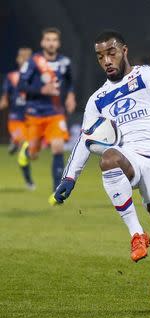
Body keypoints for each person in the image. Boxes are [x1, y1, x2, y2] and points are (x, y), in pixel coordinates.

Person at [53, 30, 150, 318]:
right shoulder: (97, 99)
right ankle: (137, 234)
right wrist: (69, 177)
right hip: (129, 156)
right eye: (100, 56)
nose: (106, 60)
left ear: (124, 50)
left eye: (111, 53)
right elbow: (86, 140)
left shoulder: (145, 74)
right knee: (109, 158)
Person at [17, 27, 76, 198]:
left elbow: (70, 82)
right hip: (35, 113)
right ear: (43, 42)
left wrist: (71, 96)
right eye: (48, 39)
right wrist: (42, 89)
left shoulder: (65, 62)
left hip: (55, 113)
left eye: (54, 40)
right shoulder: (33, 62)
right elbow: (21, 85)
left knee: (58, 148)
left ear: (58, 43)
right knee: (34, 153)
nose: (51, 43)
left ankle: (56, 193)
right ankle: (27, 152)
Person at [0, 47, 35, 189]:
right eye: (23, 57)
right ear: (18, 60)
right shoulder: (11, 77)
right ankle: (29, 181)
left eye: (28, 58)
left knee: (27, 150)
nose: (25, 60)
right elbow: (5, 98)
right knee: (25, 146)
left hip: (31, 120)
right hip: (16, 120)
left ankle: (14, 142)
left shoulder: (35, 78)